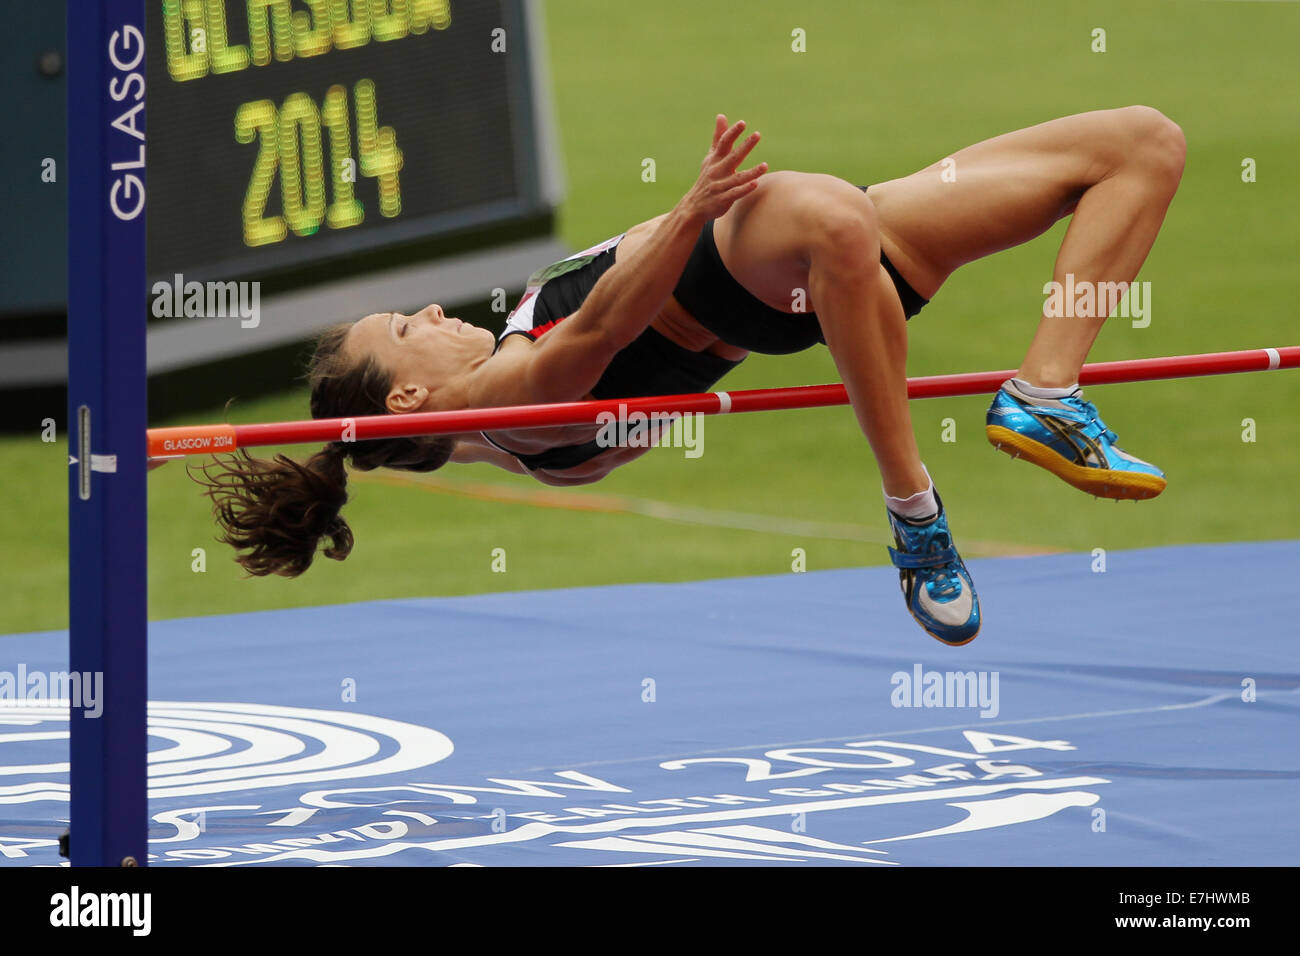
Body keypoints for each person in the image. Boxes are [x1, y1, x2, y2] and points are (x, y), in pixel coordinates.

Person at [196, 108, 1185, 647]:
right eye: (406, 327)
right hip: (729, 266)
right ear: (405, 395)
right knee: (837, 217)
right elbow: (604, 322)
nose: (435, 313)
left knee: (1138, 146)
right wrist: (691, 208)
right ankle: (914, 513)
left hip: (786, 279)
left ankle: (1046, 389)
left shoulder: (509, 427)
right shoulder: (503, 406)